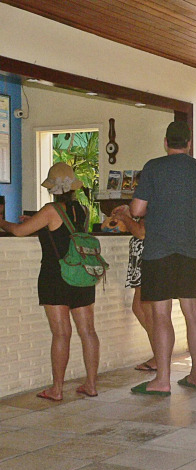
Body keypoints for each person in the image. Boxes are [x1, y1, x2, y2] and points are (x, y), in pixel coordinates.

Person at [129, 121, 196, 396]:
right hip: (191, 252)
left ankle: (162, 380)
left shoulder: (154, 167)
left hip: (159, 252)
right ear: (188, 143)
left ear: (166, 142)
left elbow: (137, 209)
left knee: (160, 314)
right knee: (192, 311)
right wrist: (184, 209)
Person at [0, 162, 99, 401]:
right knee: (88, 331)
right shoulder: (83, 210)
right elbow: (64, 231)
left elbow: (18, 231)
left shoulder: (50, 209)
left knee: (61, 334)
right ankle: (91, 384)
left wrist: (1, 221)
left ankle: (57, 389)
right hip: (82, 276)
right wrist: (35, 220)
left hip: (56, 278)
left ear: (52, 188)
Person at [111, 188, 156, 372]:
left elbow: (141, 232)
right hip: (144, 263)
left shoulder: (152, 207)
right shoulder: (152, 207)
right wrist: (127, 214)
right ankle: (160, 353)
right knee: (142, 309)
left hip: (147, 263)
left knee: (145, 310)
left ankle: (160, 355)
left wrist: (125, 218)